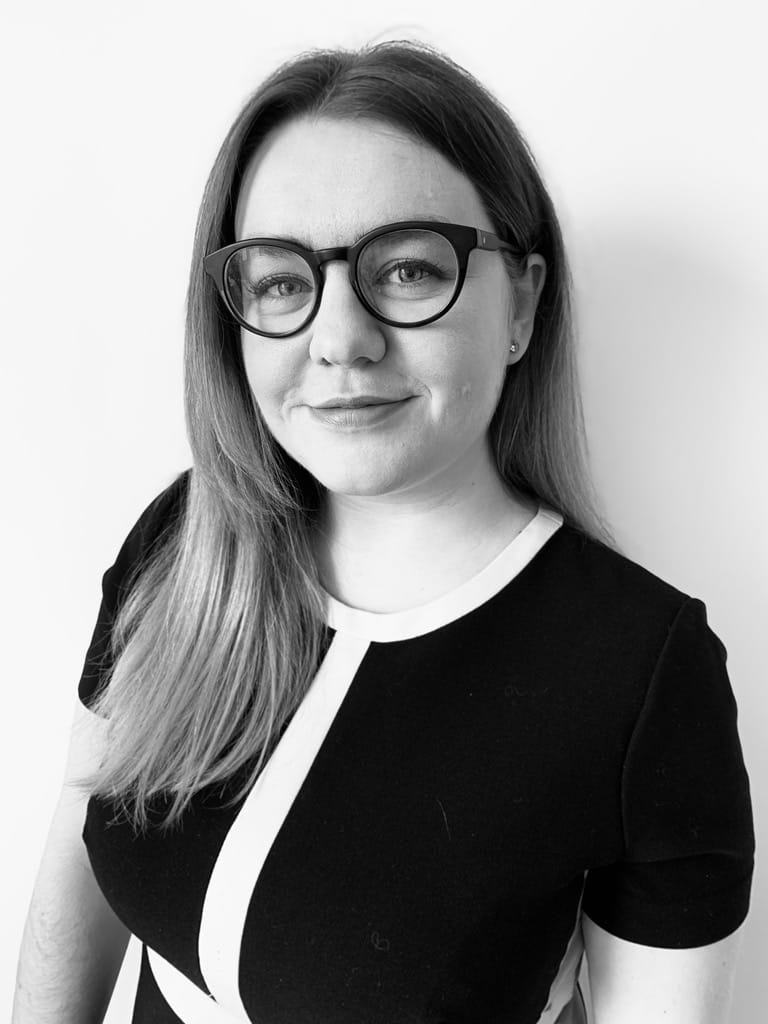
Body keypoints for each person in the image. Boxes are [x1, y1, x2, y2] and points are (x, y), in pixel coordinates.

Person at [13, 40, 754, 1024]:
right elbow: (74, 854)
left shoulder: (643, 676)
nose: (340, 339)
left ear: (523, 302)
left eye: (405, 268)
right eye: (281, 281)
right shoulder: (182, 541)